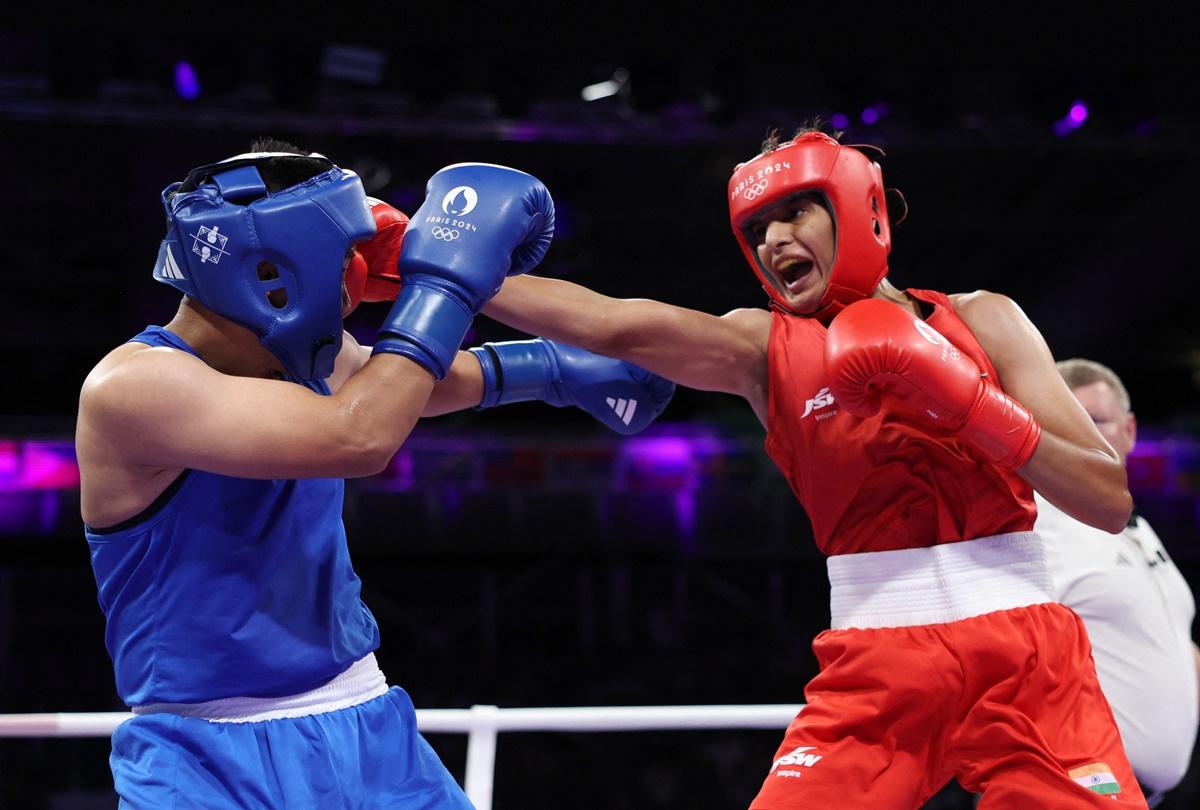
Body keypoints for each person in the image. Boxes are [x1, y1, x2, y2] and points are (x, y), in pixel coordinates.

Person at [481, 127, 1150, 807]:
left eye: (794, 213)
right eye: (757, 227)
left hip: (1029, 659)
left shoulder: (983, 321)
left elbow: (1106, 499)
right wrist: (450, 268)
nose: (772, 240)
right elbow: (613, 323)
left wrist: (969, 402)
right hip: (876, 665)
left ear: (863, 212)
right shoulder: (762, 347)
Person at [75, 139, 672, 808]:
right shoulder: (135, 388)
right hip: (210, 760)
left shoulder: (302, 366)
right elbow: (360, 434)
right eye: (342, 262)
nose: (354, 287)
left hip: (369, 728)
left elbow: (423, 383)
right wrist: (443, 280)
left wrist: (560, 369)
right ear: (273, 273)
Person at [1037, 358, 1199, 807]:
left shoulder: (1138, 530)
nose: (1083, 434)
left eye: (1096, 421)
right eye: (1065, 419)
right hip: (1074, 787)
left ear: (1129, 431)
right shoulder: (1032, 522)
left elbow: (1168, 643)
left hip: (1143, 793)